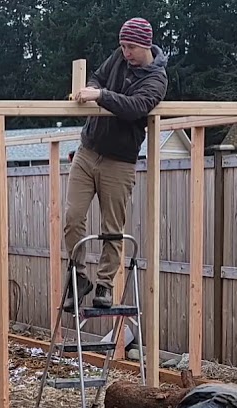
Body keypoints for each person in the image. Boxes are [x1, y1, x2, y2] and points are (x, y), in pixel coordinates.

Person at [63, 17, 170, 310]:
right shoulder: (118, 58)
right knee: (72, 218)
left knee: (112, 228)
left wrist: (99, 95)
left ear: (145, 45)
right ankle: (79, 276)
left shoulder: (157, 79)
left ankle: (105, 284)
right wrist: (91, 89)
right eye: (123, 46)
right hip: (88, 151)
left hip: (119, 161)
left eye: (131, 47)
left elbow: (134, 108)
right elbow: (97, 76)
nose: (125, 53)